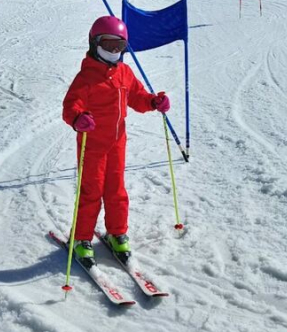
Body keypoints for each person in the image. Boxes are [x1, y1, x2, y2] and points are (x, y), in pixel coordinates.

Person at [62, 16, 170, 266]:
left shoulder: (124, 72)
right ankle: (80, 238)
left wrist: (153, 101)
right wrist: (78, 118)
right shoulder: (86, 78)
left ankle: (116, 232)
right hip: (92, 145)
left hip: (117, 143)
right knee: (91, 191)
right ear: (94, 43)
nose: (113, 51)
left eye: (118, 46)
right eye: (107, 44)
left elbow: (137, 96)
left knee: (116, 190)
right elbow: (70, 106)